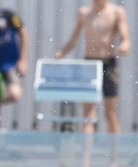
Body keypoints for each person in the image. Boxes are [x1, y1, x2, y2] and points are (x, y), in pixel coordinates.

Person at [55, 0, 130, 134]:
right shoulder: (84, 13)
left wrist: (124, 46)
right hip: (89, 64)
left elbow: (125, 38)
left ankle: (114, 147)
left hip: (108, 64)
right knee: (87, 114)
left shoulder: (116, 12)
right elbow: (73, 39)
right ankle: (87, 147)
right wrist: (61, 53)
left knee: (109, 113)